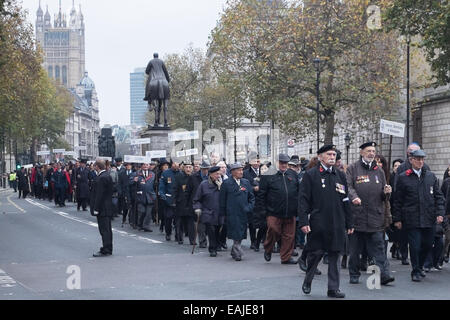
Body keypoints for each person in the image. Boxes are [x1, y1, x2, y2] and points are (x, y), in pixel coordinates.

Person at [299, 145, 354, 298]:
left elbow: (345, 199)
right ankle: (308, 280)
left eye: (334, 154)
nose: (332, 157)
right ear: (320, 157)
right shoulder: (311, 175)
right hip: (319, 222)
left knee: (335, 255)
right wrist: (304, 221)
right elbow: (303, 200)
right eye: (329, 154)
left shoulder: (340, 175)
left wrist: (350, 222)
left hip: (337, 222)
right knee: (315, 254)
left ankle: (333, 288)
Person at [346, 142, 395, 285]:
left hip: (375, 216)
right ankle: (354, 274)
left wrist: (386, 193)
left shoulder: (379, 171)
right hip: (358, 216)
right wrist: (353, 197)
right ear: (361, 152)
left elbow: (383, 195)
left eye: (373, 151)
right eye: (368, 151)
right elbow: (348, 186)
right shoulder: (353, 169)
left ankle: (384, 274)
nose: (371, 153)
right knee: (355, 249)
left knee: (379, 249)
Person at [392, 149, 445, 281]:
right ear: (411, 160)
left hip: (429, 217)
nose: (420, 162)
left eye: (422, 159)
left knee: (427, 244)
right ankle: (415, 270)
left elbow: (439, 197)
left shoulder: (430, 177)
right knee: (415, 246)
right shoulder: (404, 177)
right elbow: (398, 200)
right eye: (418, 159)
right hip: (412, 218)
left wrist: (439, 213)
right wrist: (397, 218)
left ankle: (420, 266)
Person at [257, 154, 299, 265]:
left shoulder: (293, 174)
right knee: (274, 230)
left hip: (290, 211)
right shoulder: (267, 175)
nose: (284, 165)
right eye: (281, 162)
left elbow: (298, 192)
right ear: (276, 163)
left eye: (286, 163)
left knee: (289, 235)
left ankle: (286, 257)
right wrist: (262, 211)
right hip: (273, 211)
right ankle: (268, 248)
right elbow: (261, 195)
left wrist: (298, 208)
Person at [220, 163, 255, 261]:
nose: (241, 172)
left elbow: (251, 197)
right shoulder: (226, 183)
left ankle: (235, 249)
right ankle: (237, 250)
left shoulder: (246, 182)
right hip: (232, 212)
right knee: (235, 232)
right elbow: (222, 200)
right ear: (232, 172)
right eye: (239, 170)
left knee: (241, 232)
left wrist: (249, 207)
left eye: (241, 170)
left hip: (244, 212)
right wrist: (223, 214)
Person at [193, 166, 223, 257]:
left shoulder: (223, 184)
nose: (218, 176)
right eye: (216, 174)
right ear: (210, 175)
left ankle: (218, 244)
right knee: (211, 231)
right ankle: (212, 249)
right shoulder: (204, 184)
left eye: (219, 174)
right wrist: (197, 208)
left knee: (218, 231)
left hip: (220, 213)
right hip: (208, 213)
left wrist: (221, 188)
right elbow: (197, 199)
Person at [92, 160, 114, 257]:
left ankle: (106, 249)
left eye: (94, 166)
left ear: (97, 166)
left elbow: (99, 195)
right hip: (108, 206)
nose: (93, 167)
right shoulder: (107, 175)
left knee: (104, 230)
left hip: (102, 208)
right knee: (108, 229)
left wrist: (96, 208)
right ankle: (108, 247)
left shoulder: (101, 178)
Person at [188, 160, 211, 248]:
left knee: (209, 223)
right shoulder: (193, 177)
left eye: (207, 169)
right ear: (201, 169)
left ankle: (211, 240)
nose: (206, 171)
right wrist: (189, 205)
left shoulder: (211, 177)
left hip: (208, 203)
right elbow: (188, 192)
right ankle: (202, 241)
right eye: (204, 169)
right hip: (198, 202)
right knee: (200, 223)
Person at [172, 161, 196, 244]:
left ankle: (192, 240)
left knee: (191, 223)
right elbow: (174, 189)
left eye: (190, 167)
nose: (188, 169)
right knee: (180, 222)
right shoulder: (179, 177)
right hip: (180, 203)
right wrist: (174, 201)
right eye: (186, 167)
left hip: (190, 203)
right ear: (183, 168)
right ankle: (179, 238)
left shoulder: (194, 177)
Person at [159, 160, 181, 241]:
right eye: (174, 163)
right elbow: (162, 186)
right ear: (172, 164)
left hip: (178, 200)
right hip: (168, 199)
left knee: (178, 219)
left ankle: (178, 235)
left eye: (177, 163)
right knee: (168, 218)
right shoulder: (166, 173)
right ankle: (168, 233)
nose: (176, 165)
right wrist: (163, 195)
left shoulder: (181, 173)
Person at [243, 156, 261, 250]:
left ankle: (261, 240)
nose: (257, 163)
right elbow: (244, 184)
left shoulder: (264, 171)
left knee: (263, 222)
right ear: (250, 162)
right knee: (252, 222)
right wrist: (252, 188)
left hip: (262, 199)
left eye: (258, 161)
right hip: (251, 199)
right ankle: (253, 241)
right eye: (255, 161)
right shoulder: (246, 173)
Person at [133, 163, 156, 232]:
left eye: (147, 165)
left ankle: (146, 226)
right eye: (144, 165)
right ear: (141, 166)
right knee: (142, 211)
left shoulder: (153, 174)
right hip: (140, 195)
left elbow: (155, 184)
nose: (145, 166)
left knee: (148, 213)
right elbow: (130, 183)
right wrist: (134, 181)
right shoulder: (137, 174)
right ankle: (140, 224)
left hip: (150, 195)